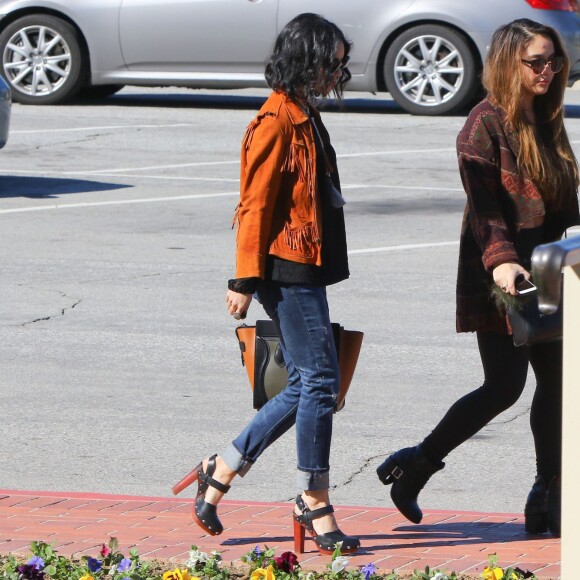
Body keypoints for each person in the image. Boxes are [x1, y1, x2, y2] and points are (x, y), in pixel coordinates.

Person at [376, 18, 579, 538]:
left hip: (551, 267)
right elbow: (485, 208)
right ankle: (416, 466)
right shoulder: (482, 125)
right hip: (502, 272)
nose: (547, 70)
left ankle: (547, 493)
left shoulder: (547, 116)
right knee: (504, 387)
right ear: (509, 62)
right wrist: (504, 263)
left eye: (553, 60)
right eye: (536, 61)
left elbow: (565, 203)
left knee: (558, 385)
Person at [172, 13, 360, 555]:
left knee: (308, 384)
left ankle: (222, 467)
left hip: (304, 264)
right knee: (321, 383)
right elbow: (254, 205)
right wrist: (244, 280)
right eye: (333, 64)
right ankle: (314, 499)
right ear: (309, 59)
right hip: (283, 267)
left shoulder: (304, 113)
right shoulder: (275, 120)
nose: (337, 75)